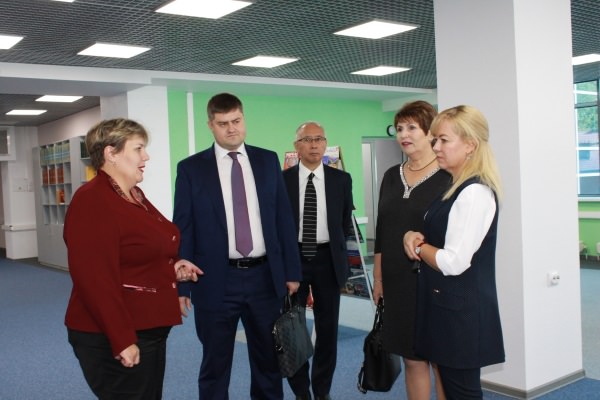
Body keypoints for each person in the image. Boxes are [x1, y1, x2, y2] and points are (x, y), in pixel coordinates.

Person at [173, 93, 302, 399]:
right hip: (214, 281)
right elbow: (183, 228)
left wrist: (292, 271)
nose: (231, 129)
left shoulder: (267, 160)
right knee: (215, 365)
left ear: (243, 119)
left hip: (264, 278)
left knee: (269, 362)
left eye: (236, 121)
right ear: (210, 125)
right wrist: (182, 286)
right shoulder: (191, 169)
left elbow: (283, 219)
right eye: (223, 123)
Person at [64, 118, 202, 400]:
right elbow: (95, 280)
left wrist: (172, 266)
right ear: (111, 153)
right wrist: (122, 339)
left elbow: (137, 251)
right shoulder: (92, 200)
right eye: (138, 148)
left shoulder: (133, 194)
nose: (146, 156)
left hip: (148, 327)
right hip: (114, 332)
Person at [403, 105, 505, 399]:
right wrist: (419, 238)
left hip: (460, 315)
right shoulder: (457, 187)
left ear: (470, 145)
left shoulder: (473, 192)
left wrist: (417, 245)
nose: (435, 147)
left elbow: (453, 262)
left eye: (443, 140)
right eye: (435, 139)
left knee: (462, 392)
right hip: (449, 308)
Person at [372, 100, 449, 400]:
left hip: (433, 280)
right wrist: (378, 278)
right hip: (396, 282)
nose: (403, 134)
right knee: (411, 358)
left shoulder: (448, 176)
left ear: (430, 132)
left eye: (412, 128)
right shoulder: (391, 175)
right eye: (399, 128)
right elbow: (382, 231)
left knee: (440, 360)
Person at [282, 122, 353, 400]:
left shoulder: (341, 180)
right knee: (293, 330)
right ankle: (302, 393)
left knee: (327, 331)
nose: (314, 145)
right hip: (294, 260)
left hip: (328, 260)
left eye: (319, 139)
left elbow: (344, 224)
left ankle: (322, 392)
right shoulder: (282, 180)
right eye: (307, 139)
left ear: (325, 144)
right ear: (297, 146)